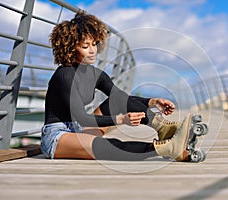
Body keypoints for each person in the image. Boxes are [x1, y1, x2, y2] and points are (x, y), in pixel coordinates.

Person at [41, 10, 193, 161]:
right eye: (85, 46)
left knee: (116, 99)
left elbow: (121, 98)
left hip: (78, 130)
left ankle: (163, 128)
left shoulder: (95, 74)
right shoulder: (65, 75)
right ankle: (169, 147)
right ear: (71, 48)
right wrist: (120, 120)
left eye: (94, 44)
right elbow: (81, 117)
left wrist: (151, 101)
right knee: (105, 146)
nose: (92, 50)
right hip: (58, 136)